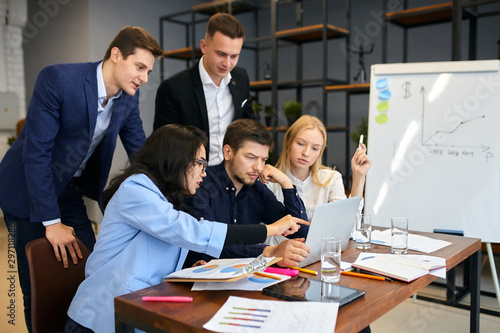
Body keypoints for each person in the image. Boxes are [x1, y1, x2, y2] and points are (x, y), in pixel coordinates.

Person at [65, 124, 307, 332]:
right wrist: (269, 230)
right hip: (102, 314)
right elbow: (192, 232)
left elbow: (162, 247)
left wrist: (189, 267)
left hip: (145, 305)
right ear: (176, 159)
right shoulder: (136, 189)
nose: (204, 171)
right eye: (199, 163)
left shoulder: (168, 195)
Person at [0, 26, 163, 332]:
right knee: (39, 283)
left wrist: (169, 192)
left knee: (90, 270)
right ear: (116, 55)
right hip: (25, 190)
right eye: (139, 67)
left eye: (148, 71)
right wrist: (51, 222)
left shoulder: (127, 100)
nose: (144, 78)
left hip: (70, 189)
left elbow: (141, 153)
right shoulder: (59, 80)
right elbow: (36, 154)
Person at [185, 119, 311, 268]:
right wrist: (269, 251)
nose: (258, 167)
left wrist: (286, 184)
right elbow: (211, 242)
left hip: (247, 277)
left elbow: (300, 232)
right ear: (228, 152)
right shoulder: (201, 184)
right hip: (199, 280)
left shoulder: (257, 189)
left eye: (263, 159)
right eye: (251, 157)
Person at [154, 13, 254, 165]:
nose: (227, 63)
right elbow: (165, 147)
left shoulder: (240, 77)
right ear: (204, 46)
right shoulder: (173, 88)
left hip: (232, 173)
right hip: (192, 177)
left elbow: (249, 122)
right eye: (221, 54)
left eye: (234, 56)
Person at [264, 115, 371, 245]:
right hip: (281, 258)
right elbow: (262, 235)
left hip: (321, 255)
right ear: (288, 143)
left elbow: (347, 230)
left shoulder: (331, 179)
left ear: (320, 152)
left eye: (315, 148)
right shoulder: (268, 181)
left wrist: (359, 177)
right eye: (301, 144)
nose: (306, 153)